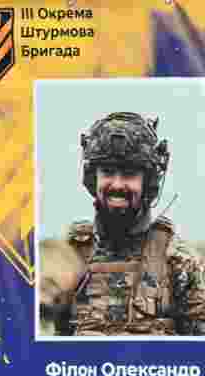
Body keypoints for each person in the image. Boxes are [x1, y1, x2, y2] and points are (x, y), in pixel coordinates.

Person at [41, 111, 205, 336]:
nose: (117, 184)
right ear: (93, 178)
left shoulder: (178, 261)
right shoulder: (68, 256)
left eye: (129, 174)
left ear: (147, 183)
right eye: (107, 172)